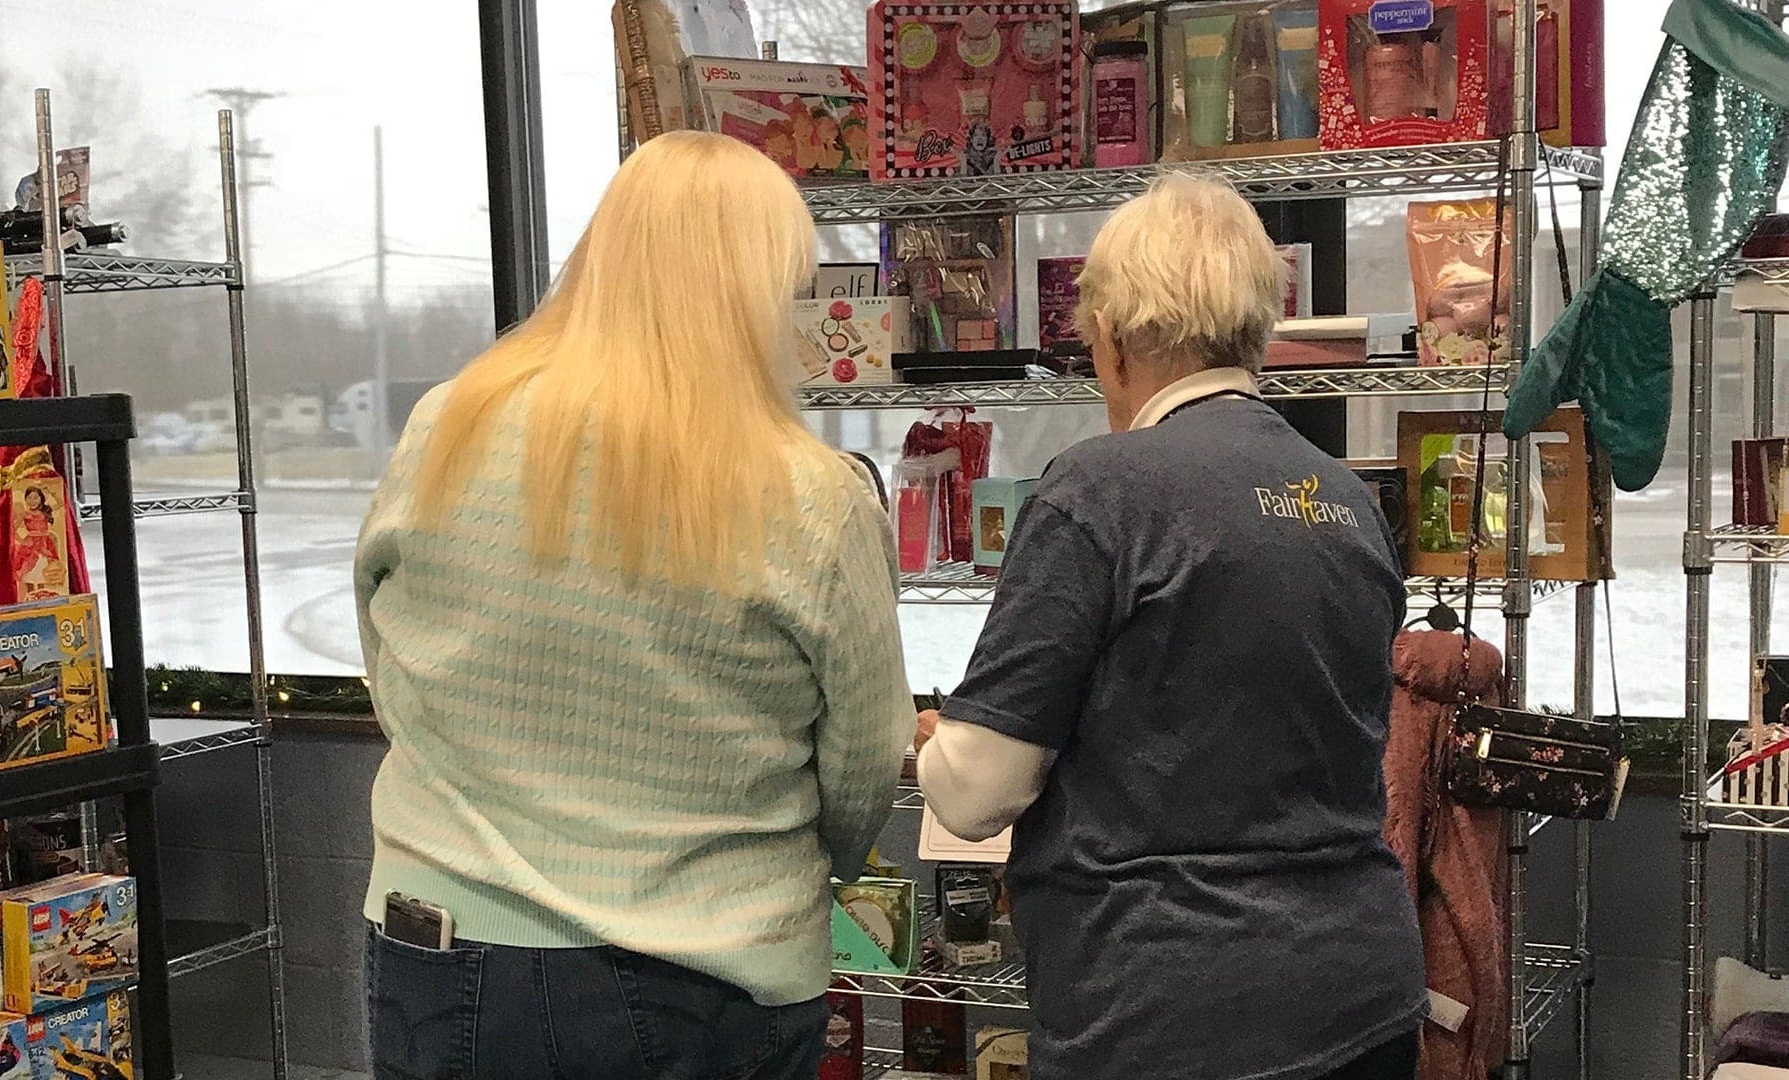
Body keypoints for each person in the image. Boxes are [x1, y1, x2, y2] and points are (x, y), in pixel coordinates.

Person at [355, 131, 912, 1080]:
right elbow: (862, 762)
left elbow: (384, 635)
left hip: (437, 949)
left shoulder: (447, 424)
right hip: (700, 966)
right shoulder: (810, 495)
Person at [916, 175, 1425, 1080]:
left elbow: (975, 794)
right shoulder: (1347, 501)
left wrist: (932, 741)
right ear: (1257, 327)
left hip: (1165, 1010)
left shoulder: (1099, 491)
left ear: (1111, 340)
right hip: (1362, 997)